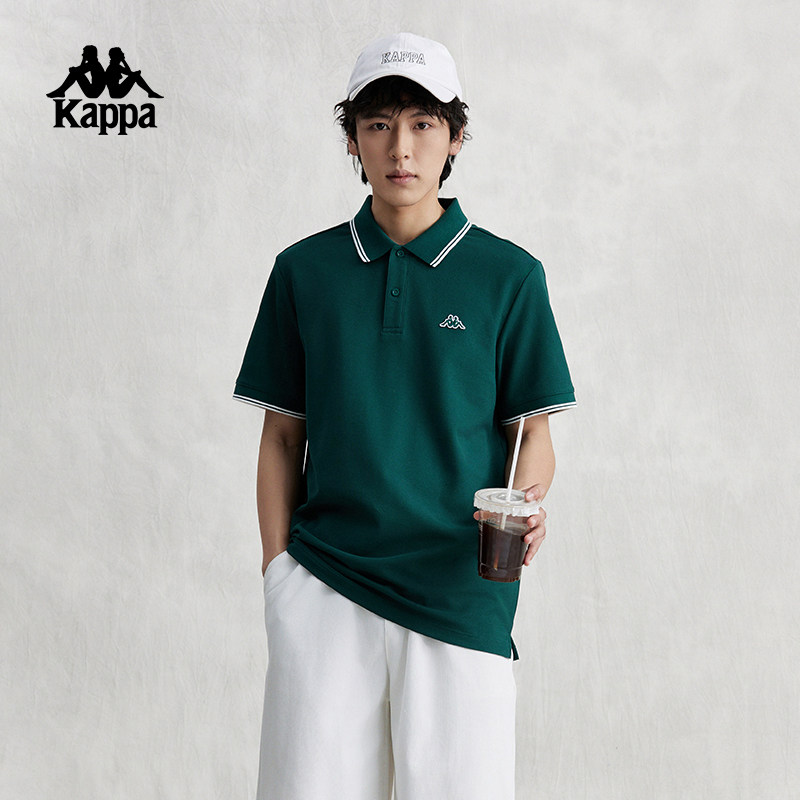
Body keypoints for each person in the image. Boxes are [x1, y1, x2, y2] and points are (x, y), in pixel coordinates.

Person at [233, 32, 575, 800]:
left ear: (455, 138)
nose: (401, 148)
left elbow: (534, 437)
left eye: (423, 124)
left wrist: (525, 504)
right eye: (379, 124)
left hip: (462, 589)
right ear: (353, 139)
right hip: (325, 583)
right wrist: (278, 574)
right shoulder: (303, 272)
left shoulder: (509, 276)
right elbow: (282, 437)